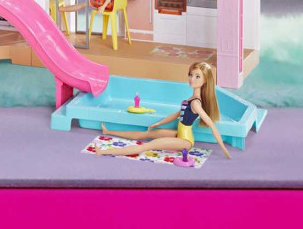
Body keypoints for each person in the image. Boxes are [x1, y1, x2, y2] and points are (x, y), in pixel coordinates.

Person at [98, 60, 233, 159]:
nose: (192, 79)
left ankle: (103, 152)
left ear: (205, 81)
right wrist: (159, 123)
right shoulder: (192, 98)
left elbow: (212, 125)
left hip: (185, 141)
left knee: (147, 146)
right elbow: (178, 114)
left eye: (197, 76)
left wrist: (224, 149)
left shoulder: (196, 103)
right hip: (178, 134)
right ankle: (108, 131)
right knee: (146, 134)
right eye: (191, 74)